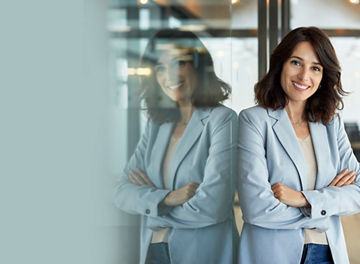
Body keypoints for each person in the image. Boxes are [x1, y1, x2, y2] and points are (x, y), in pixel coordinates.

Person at [114, 29, 238, 264]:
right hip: (152, 250)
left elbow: (214, 206)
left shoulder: (222, 120)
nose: (168, 74)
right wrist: (169, 198)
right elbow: (121, 192)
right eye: (160, 67)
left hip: (202, 254)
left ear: (198, 66)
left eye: (179, 63)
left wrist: (150, 206)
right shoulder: (157, 125)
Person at [237, 26, 360, 264]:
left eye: (315, 68)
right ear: (280, 64)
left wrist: (304, 199)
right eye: (296, 63)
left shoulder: (329, 122)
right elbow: (256, 208)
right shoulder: (253, 120)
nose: (304, 77)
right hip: (273, 255)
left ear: (324, 76)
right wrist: (324, 210)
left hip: (328, 253)